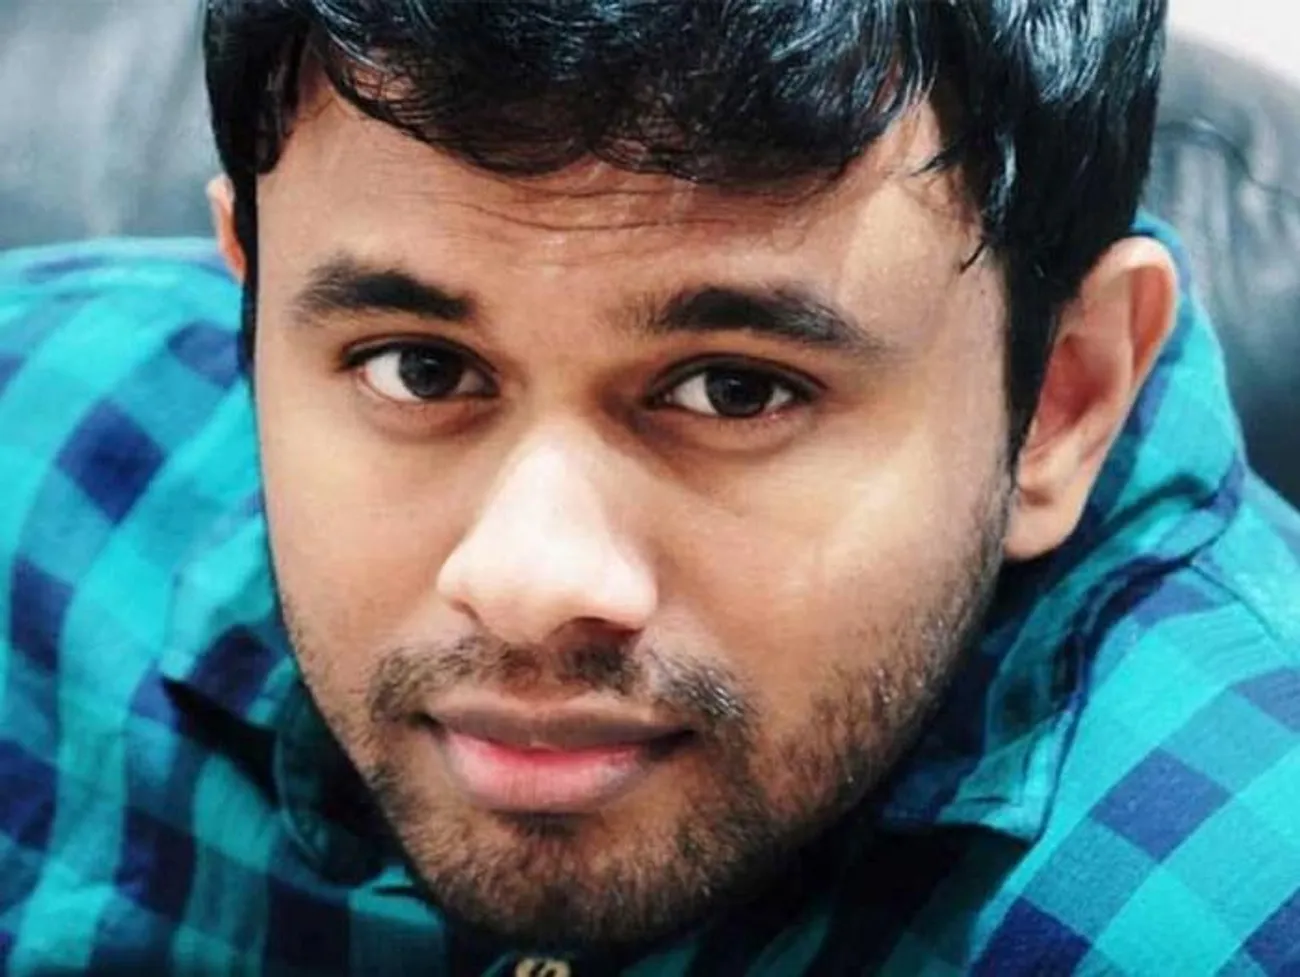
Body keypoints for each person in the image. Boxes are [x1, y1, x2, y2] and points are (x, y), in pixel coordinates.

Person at [2, 0, 1298, 973]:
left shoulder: (1231, 908)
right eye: (417, 367)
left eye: (735, 390)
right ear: (255, 293)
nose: (529, 584)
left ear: (1061, 397)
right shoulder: (32, 451)